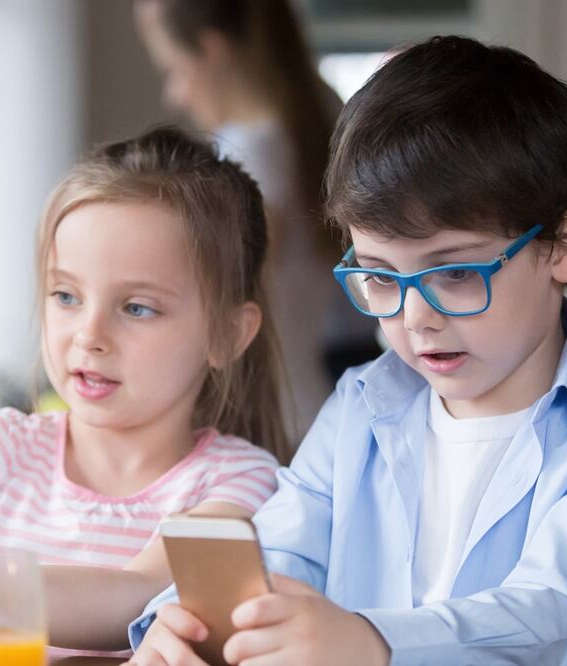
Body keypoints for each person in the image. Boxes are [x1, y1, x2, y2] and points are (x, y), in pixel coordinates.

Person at [127, 36, 567, 665]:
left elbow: (553, 613)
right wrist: (180, 623)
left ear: (565, 243)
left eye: (455, 273)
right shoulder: (361, 406)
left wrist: (372, 643)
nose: (415, 318)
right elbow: (278, 554)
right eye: (379, 275)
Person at [0, 126, 291, 659]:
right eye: (66, 296)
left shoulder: (240, 482)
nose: (89, 335)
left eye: (137, 308)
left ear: (227, 335)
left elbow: (138, 596)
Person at [134, 0, 382, 444]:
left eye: (175, 69)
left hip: (264, 422)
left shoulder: (250, 157)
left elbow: (222, 298)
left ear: (212, 50)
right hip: (307, 408)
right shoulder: (317, 122)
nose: (175, 95)